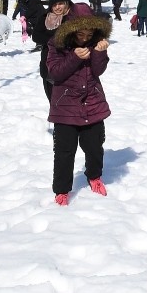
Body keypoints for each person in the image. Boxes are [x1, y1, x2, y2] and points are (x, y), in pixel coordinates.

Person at [47, 11, 112, 206]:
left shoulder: (95, 44)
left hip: (93, 104)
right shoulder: (56, 45)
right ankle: (61, 190)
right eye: (80, 34)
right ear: (71, 31)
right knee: (64, 152)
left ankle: (94, 176)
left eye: (89, 35)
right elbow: (55, 73)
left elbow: (98, 71)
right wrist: (74, 57)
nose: (84, 39)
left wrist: (99, 52)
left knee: (94, 147)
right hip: (65, 108)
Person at [30, 0, 93, 101]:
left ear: (67, 3)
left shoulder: (75, 18)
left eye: (60, 4)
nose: (57, 7)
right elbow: (36, 36)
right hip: (48, 66)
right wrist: (57, 40)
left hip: (71, 67)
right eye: (54, 5)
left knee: (71, 103)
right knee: (54, 102)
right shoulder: (45, 18)